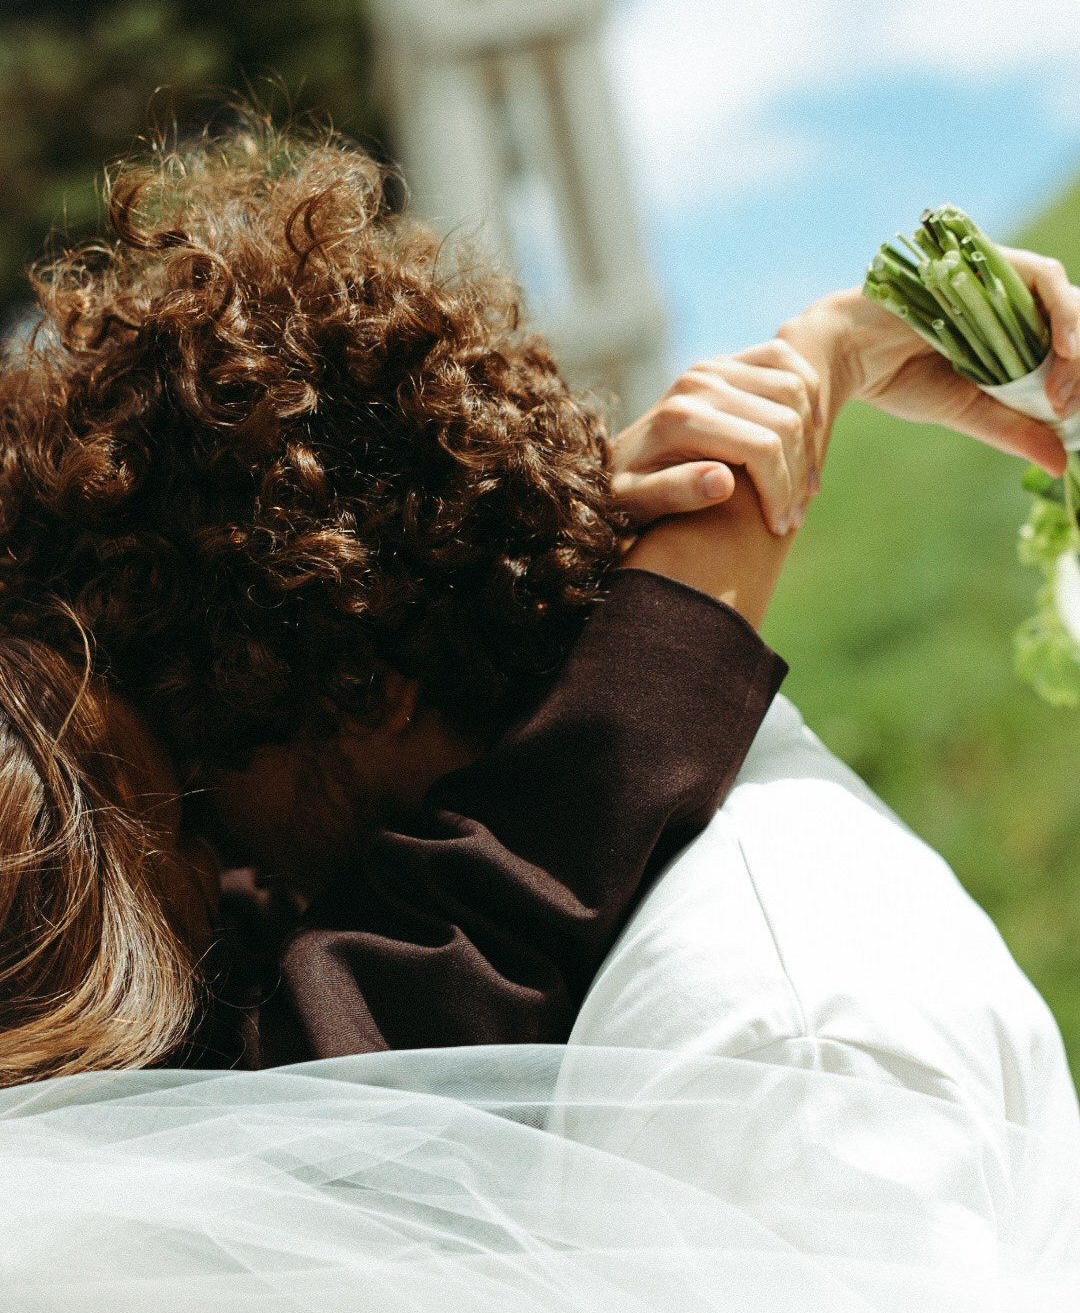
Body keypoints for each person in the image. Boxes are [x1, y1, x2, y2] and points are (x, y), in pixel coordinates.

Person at [1, 111, 1078, 1082]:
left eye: (203, 779)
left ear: (363, 683)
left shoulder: (783, 1014)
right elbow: (466, 923)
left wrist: (509, 534)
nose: (222, 858)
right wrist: (712, 512)